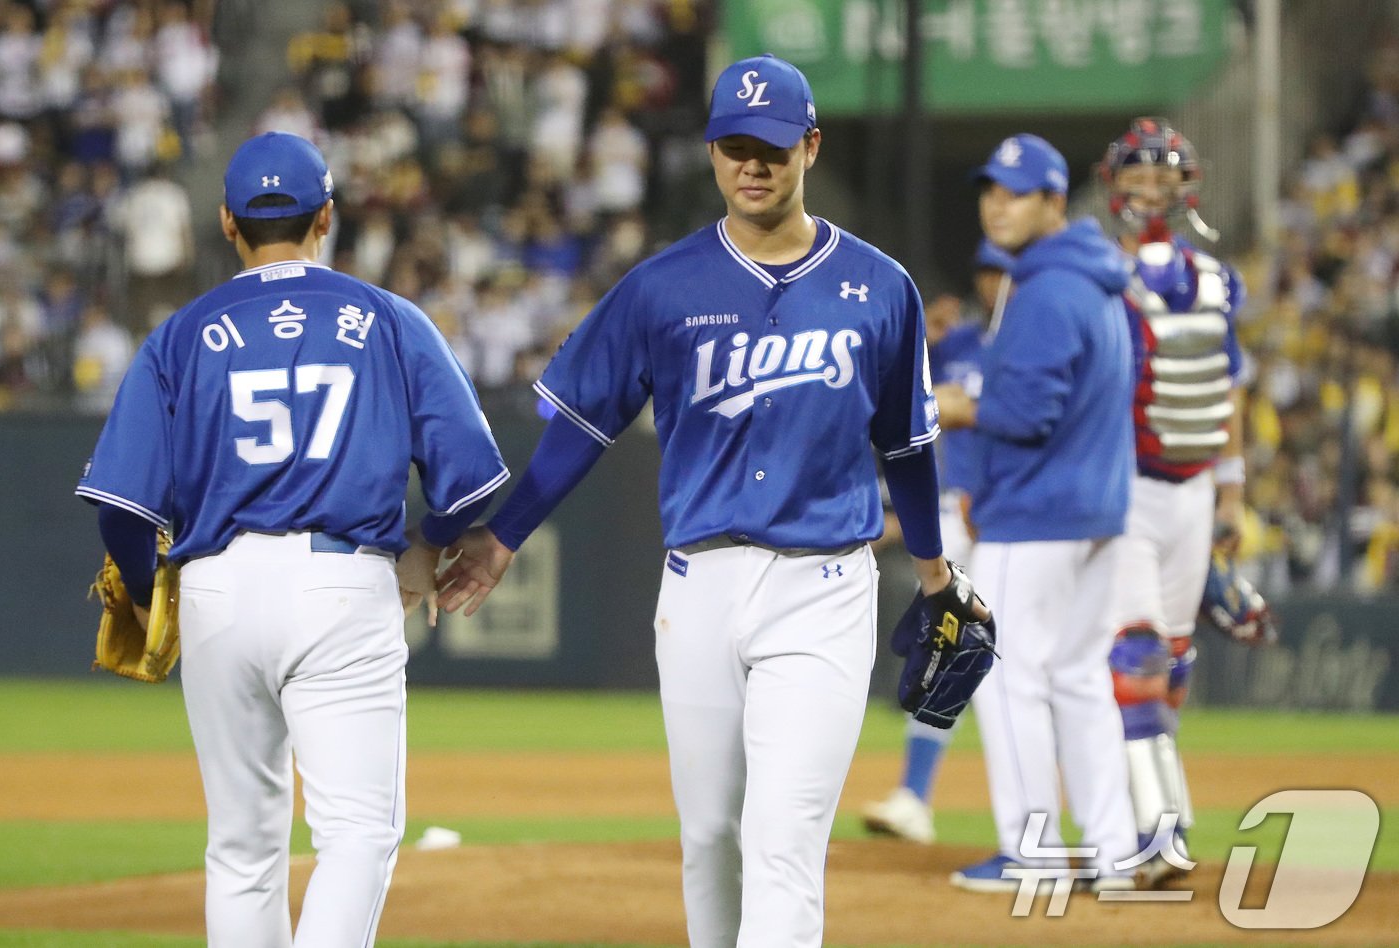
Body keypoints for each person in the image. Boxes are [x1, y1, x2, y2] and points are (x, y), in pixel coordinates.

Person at [431, 54, 986, 948]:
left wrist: (932, 574)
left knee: (783, 838)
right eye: (735, 146)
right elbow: (581, 427)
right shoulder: (662, 286)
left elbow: (909, 448)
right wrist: (502, 538)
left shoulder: (880, 287)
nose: (752, 165)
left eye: (770, 147)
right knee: (711, 837)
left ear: (810, 146)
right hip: (699, 586)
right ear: (712, 152)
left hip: (824, 586)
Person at [74, 131, 508, 947]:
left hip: (216, 594)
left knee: (240, 847)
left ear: (228, 224)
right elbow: (474, 481)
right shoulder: (386, 318)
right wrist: (431, 542)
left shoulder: (180, 335)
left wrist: (142, 587)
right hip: (341, 587)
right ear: (328, 217)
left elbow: (122, 510)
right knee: (357, 834)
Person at [933, 134, 1139, 892]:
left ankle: (1034, 854)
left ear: (1056, 201)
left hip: (1039, 513)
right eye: (991, 189)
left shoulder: (1048, 288)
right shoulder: (1096, 282)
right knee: (1080, 679)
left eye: (1016, 191)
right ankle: (1114, 851)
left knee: (1007, 675)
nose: (997, 202)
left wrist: (953, 404)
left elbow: (1023, 412)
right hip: (1096, 509)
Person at [1099, 118, 1249, 887]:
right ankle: (1159, 828)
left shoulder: (1219, 280)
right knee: (1136, 653)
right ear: (1114, 185)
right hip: (1121, 487)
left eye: (1165, 178)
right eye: (1139, 178)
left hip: (1191, 490)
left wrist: (1232, 492)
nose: (1152, 192)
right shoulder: (1094, 273)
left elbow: (1226, 387)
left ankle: (1147, 815)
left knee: (1175, 664)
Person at [862, 238, 1012, 845]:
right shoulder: (957, 345)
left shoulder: (1038, 341)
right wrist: (925, 342)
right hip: (955, 512)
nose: (992, 280)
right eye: (985, 269)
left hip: (1013, 518)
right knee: (947, 653)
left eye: (1003, 270)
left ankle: (1103, 814)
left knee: (1026, 674)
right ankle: (915, 797)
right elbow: (899, 401)